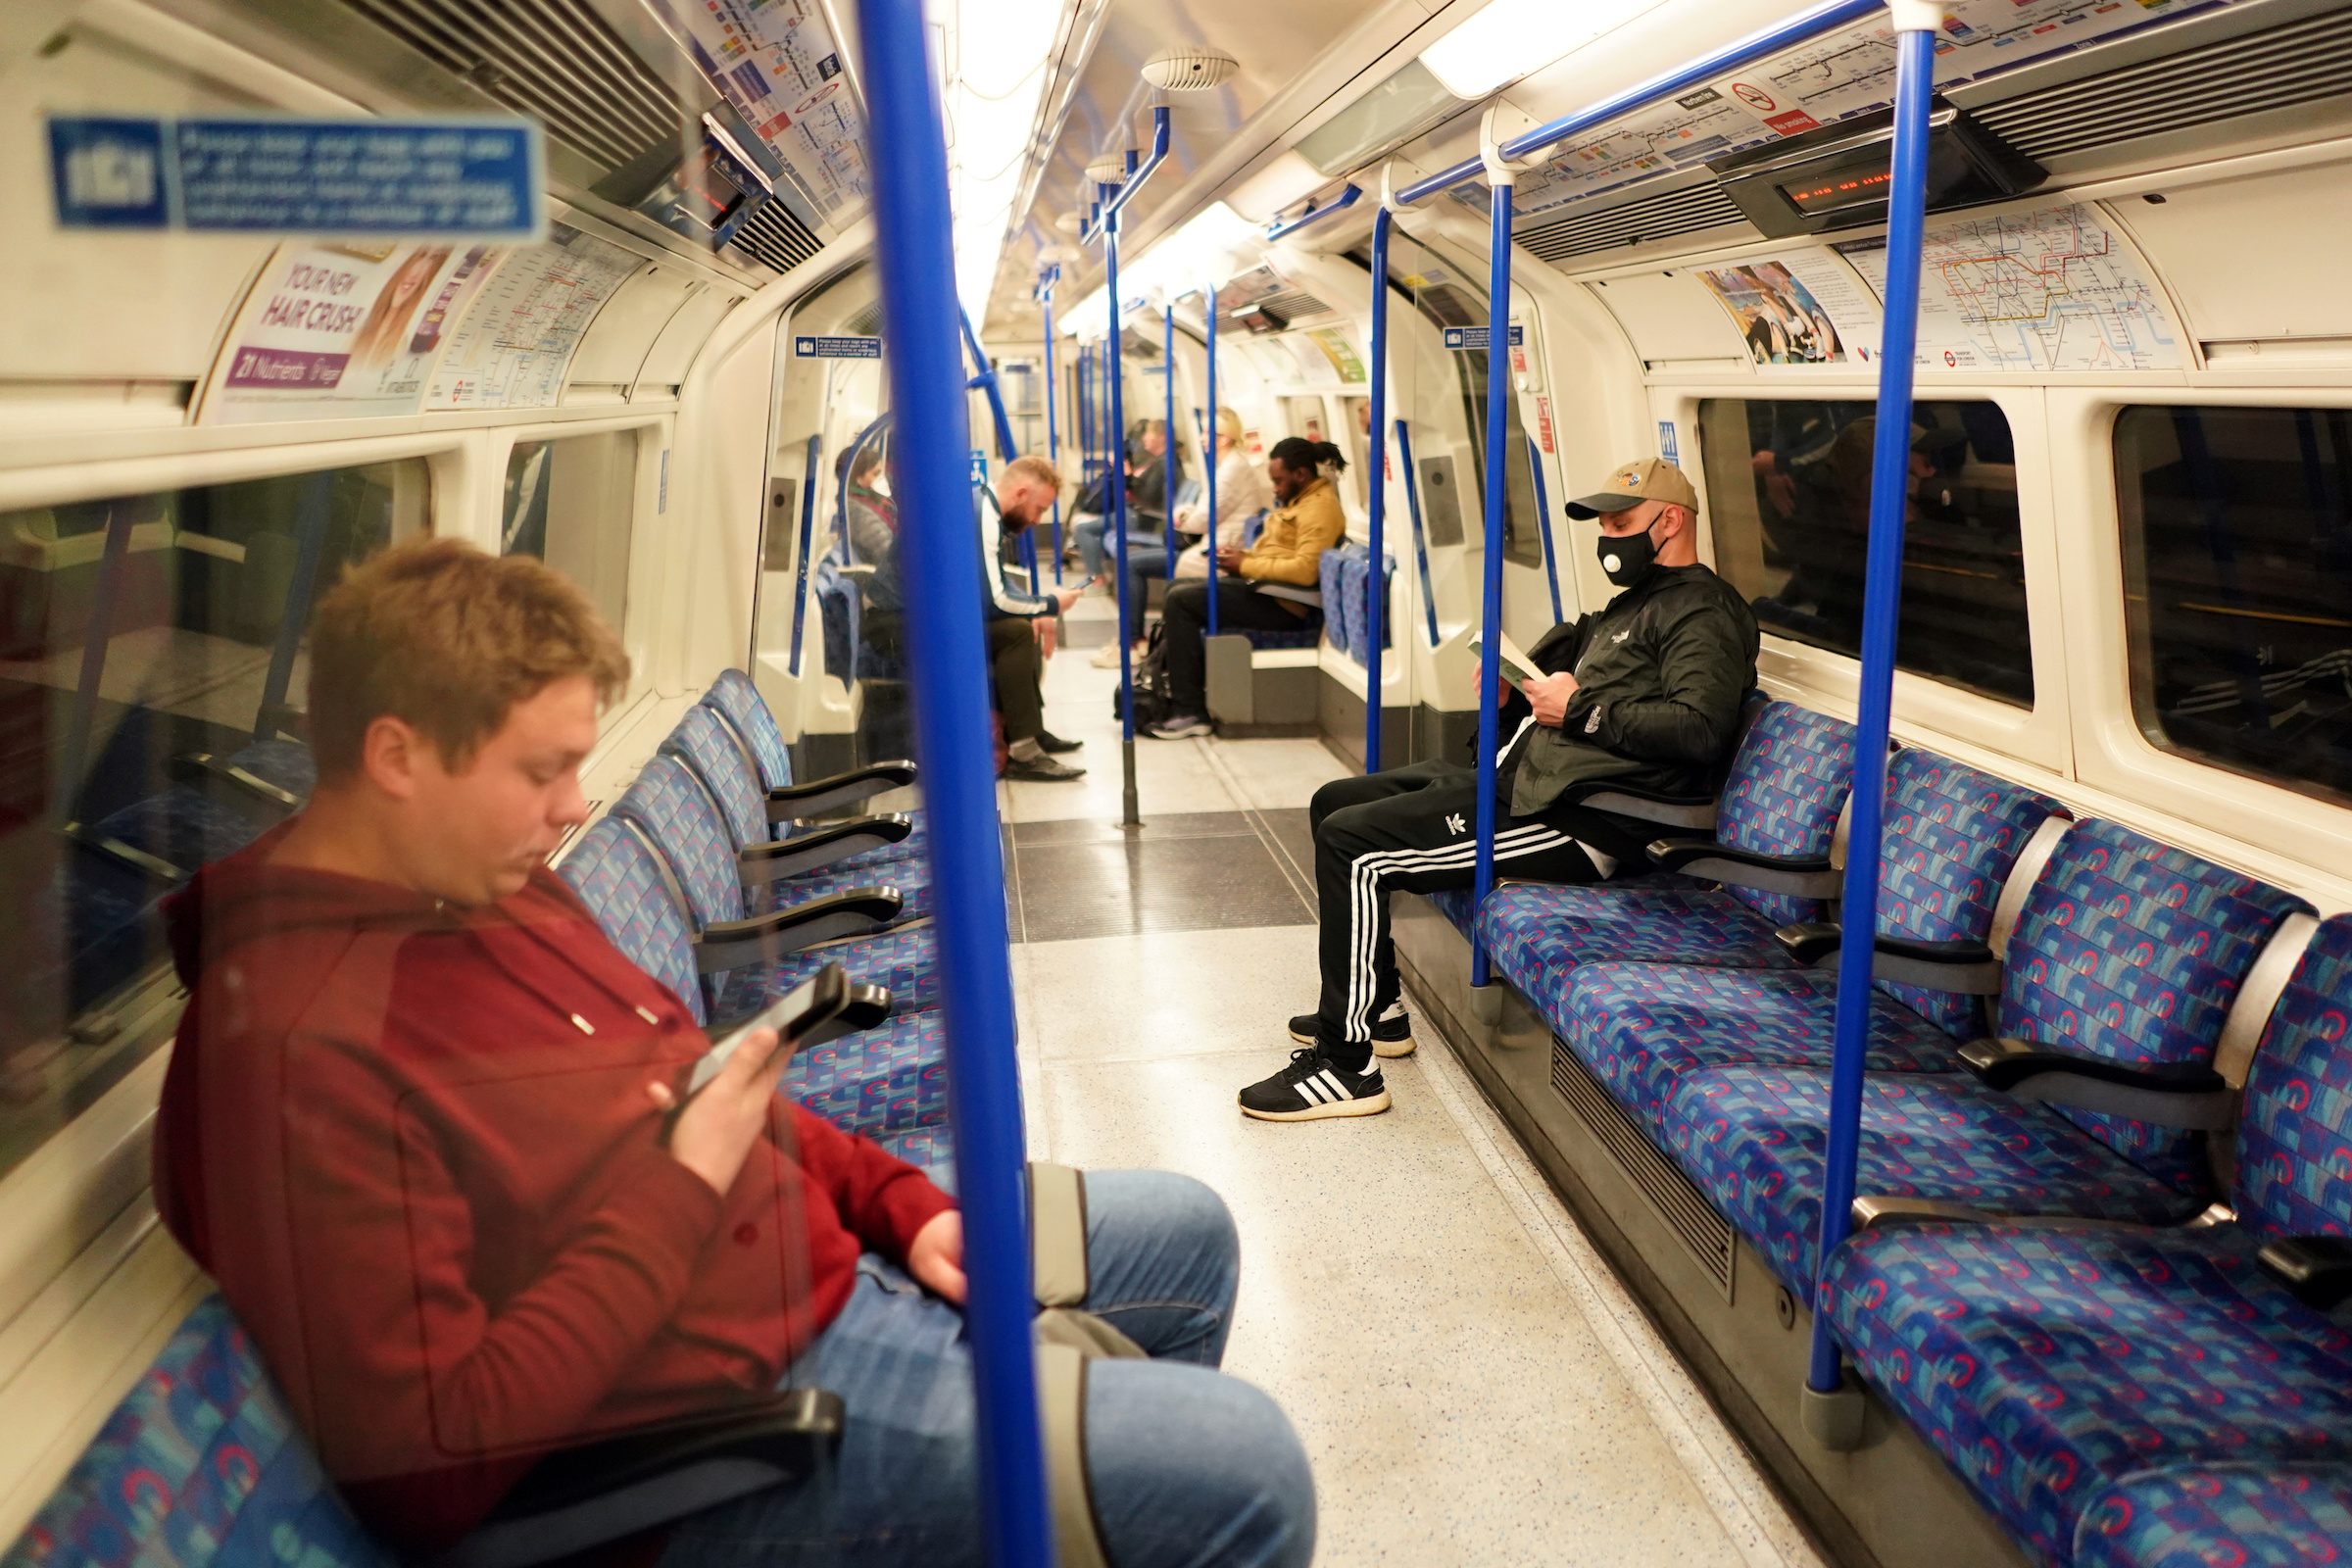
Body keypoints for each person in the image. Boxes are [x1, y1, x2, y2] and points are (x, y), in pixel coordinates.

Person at [151, 537, 1315, 1567]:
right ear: (397, 756)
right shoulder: (296, 1049)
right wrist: (683, 1182)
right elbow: (434, 1464)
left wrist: (896, 1202)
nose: (571, 808)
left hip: (806, 1264)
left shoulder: (488, 892)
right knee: (1246, 1470)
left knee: (1187, 1227)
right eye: (539, 770)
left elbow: (709, 1089)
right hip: (722, 1433)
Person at [1236, 456, 1759, 1121]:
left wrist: (1582, 710)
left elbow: (1699, 730)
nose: (1609, 539)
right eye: (1604, 525)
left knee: (1354, 846)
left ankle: (1347, 1067)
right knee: (1335, 802)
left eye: (1622, 523)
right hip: (1537, 779)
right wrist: (1521, 692)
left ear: (1672, 522)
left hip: (1586, 817)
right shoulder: (1635, 604)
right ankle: (1378, 1007)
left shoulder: (1702, 613)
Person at [1148, 437, 1349, 741]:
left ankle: (1190, 710)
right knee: (1179, 587)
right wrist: (1241, 559)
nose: (1275, 489)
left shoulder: (1320, 509)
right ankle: (1185, 686)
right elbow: (1278, 555)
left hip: (1284, 604)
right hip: (1265, 590)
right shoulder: (1299, 502)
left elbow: (1306, 571)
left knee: (1181, 602)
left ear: (1301, 475)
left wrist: (1246, 566)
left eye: (1278, 481)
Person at [979, 455, 1089, 780]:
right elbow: (994, 598)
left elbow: (994, 578)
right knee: (1016, 631)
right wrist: (1048, 605)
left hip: (924, 616)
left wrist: (1035, 606)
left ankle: (1030, 732)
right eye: (1039, 509)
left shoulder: (986, 509)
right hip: (899, 625)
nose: (1039, 521)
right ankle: (1024, 751)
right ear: (1021, 493)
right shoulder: (982, 515)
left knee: (1021, 625)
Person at [1170, 406, 1276, 579]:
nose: (1201, 438)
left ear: (1224, 439)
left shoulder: (1231, 471)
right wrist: (1188, 513)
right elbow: (1207, 507)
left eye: (1205, 433)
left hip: (1226, 549)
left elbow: (1204, 520)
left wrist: (1182, 519)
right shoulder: (1230, 466)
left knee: (1182, 566)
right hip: (1224, 541)